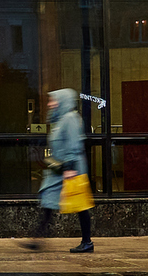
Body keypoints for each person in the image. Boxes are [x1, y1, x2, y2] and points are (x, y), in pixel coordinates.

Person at [19, 88, 94, 254]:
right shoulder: (60, 120)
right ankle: (37, 239)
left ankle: (87, 241)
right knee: (48, 201)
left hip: (70, 170)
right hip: (58, 170)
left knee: (80, 206)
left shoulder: (70, 118)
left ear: (63, 101)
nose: (50, 104)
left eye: (53, 100)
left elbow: (75, 144)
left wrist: (70, 168)